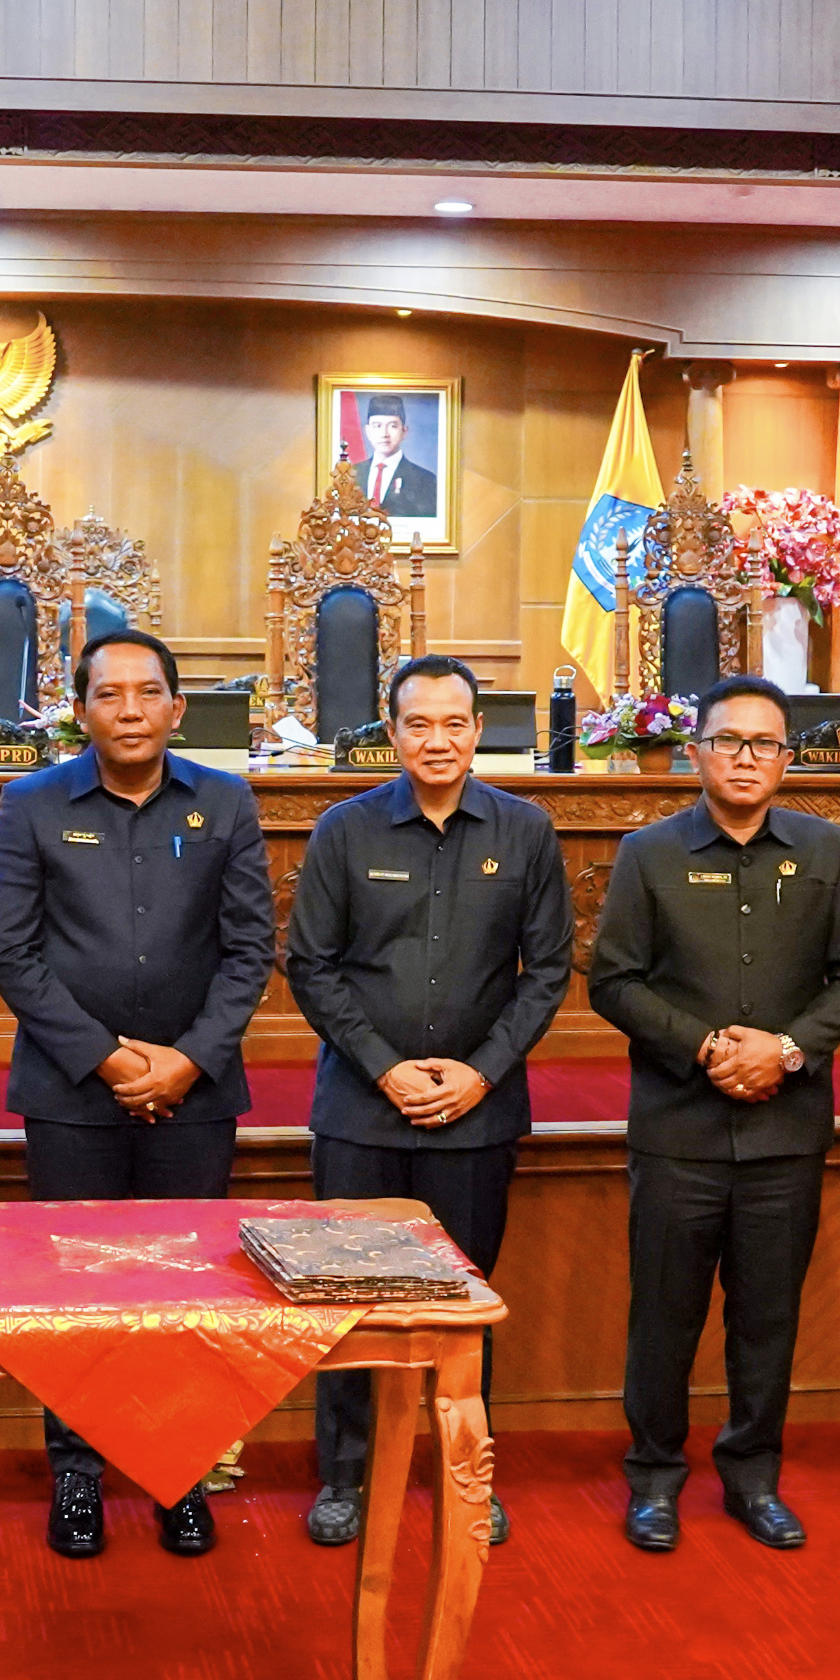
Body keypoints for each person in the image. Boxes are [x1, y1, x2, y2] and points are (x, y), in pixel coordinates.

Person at [0, 627, 276, 1560]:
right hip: (71, 1095)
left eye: (149, 693)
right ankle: (77, 1474)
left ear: (177, 708)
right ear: (81, 712)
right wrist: (107, 1060)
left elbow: (250, 952)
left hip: (197, 1095)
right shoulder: (31, 804)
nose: (131, 711)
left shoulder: (225, 803)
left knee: (189, 1290)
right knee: (77, 1293)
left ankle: (179, 1469)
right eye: (109, 695)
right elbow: (9, 953)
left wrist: (187, 1061)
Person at [588, 673, 840, 1553]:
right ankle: (654, 1478)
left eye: (764, 744)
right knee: (664, 1316)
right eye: (727, 741)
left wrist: (785, 1050)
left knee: (767, 1319)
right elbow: (613, 981)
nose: (745, 758)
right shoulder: (648, 853)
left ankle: (754, 1477)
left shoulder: (827, 849)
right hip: (677, 1129)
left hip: (785, 1130)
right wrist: (708, 1047)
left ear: (786, 759)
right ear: (697, 753)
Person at [286, 653, 571, 1550]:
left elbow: (548, 971)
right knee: (348, 1303)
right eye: (419, 724)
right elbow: (311, 967)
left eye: (455, 724)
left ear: (479, 731)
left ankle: (464, 1471)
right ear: (392, 731)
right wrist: (385, 1069)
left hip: (477, 1114)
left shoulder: (525, 831)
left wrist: (481, 1073)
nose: (437, 741)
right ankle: (344, 1477)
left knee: (463, 1305)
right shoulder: (344, 830)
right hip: (361, 1111)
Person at [357, 393, 437, 518]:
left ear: (404, 431)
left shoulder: (425, 480)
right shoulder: (351, 474)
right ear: (368, 431)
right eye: (377, 426)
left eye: (393, 426)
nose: (384, 434)